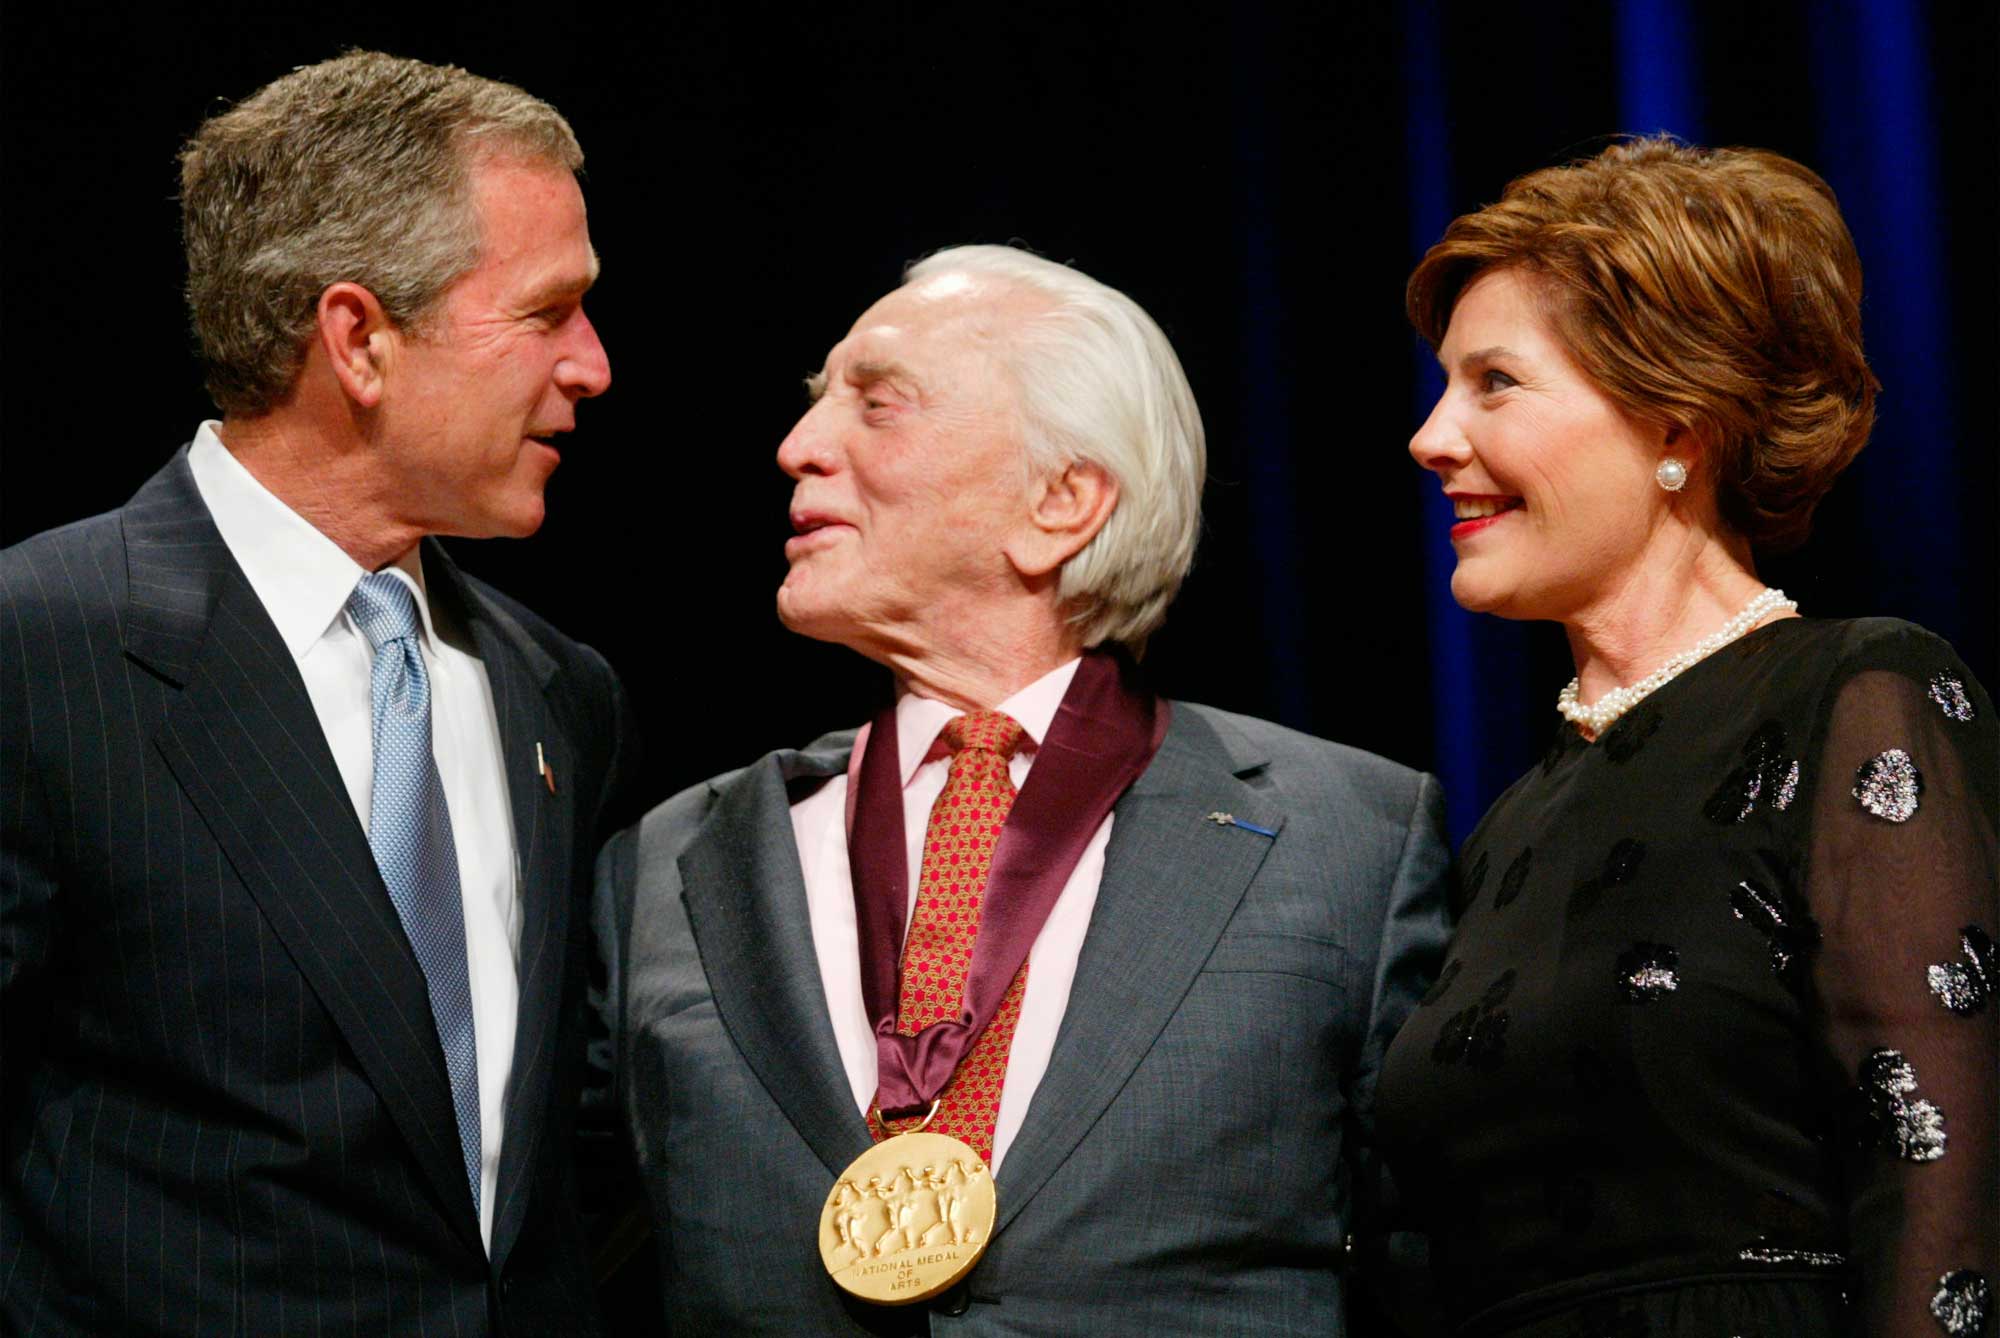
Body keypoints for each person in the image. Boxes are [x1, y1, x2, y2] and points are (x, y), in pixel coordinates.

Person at [594, 244, 1452, 1334]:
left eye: (877, 403)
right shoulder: (670, 858)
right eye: (817, 405)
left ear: (1060, 501)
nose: (798, 447)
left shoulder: (1348, 836)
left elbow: (1432, 1266)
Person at [0, 52, 628, 1335]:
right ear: (358, 339)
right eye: (547, 311)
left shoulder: (558, 692)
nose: (593, 366)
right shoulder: (39, 651)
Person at [1378, 137, 1997, 1337]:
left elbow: (1945, 1206)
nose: (1430, 436)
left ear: (1676, 422)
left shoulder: (1856, 697)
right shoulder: (1506, 826)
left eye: (1493, 382)